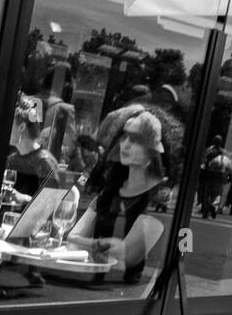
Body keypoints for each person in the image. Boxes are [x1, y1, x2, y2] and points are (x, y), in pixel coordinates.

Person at [68, 111, 168, 285]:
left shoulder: (154, 198)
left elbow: (128, 254)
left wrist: (93, 244)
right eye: (125, 137)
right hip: (91, 280)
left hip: (124, 291)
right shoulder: (108, 194)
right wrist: (102, 245)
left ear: (151, 149)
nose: (126, 145)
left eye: (136, 140)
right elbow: (72, 238)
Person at [6, 94, 59, 197]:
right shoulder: (12, 160)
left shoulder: (45, 162)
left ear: (21, 127)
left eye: (9, 125)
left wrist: (24, 199)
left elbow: (50, 203)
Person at [198, 134, 227, 219]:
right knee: (215, 194)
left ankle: (205, 210)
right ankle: (211, 208)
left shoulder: (209, 150)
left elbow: (203, 161)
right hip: (218, 176)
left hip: (208, 174)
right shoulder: (222, 152)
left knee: (206, 194)